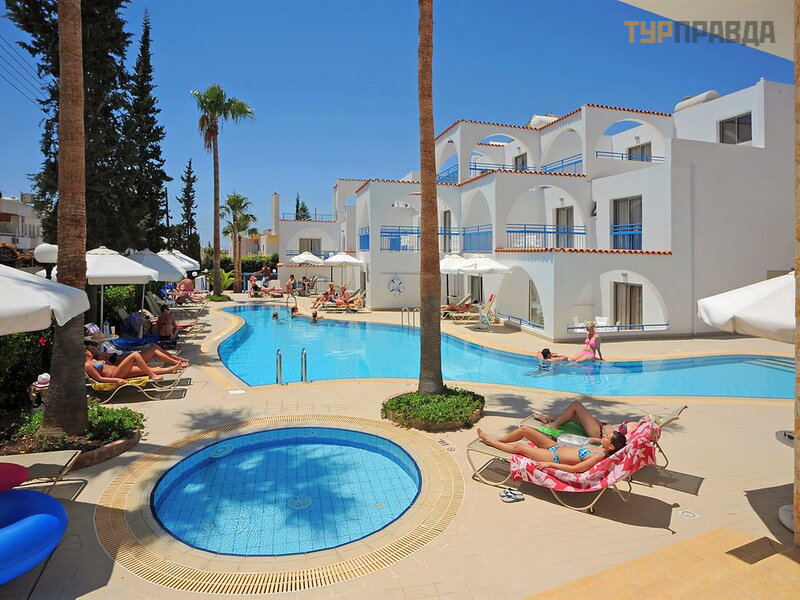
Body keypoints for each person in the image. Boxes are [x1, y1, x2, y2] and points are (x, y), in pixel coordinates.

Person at [476, 425, 626, 473]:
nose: (604, 436)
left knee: (519, 447)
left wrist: (550, 464)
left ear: (611, 446)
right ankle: (500, 441)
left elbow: (576, 469)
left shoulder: (598, 457)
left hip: (552, 457)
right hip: (555, 447)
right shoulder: (600, 447)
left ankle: (489, 441)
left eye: (607, 437)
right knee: (525, 430)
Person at [532, 399, 652, 440]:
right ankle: (547, 418)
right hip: (601, 426)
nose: (643, 419)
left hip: (598, 434)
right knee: (574, 415)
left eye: (646, 421)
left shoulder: (636, 432)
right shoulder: (637, 425)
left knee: (576, 405)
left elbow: (621, 442)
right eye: (643, 418)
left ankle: (554, 425)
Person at [84, 349, 179, 384]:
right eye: (88, 351)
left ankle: (171, 369)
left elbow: (110, 365)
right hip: (115, 375)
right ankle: (152, 375)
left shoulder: (95, 360)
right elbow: (100, 379)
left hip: (119, 370)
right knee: (135, 355)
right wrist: (117, 380)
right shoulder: (87, 366)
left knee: (145, 370)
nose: (90, 352)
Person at [86, 343, 188, 368]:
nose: (95, 350)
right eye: (93, 350)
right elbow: (112, 367)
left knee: (154, 346)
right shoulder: (100, 358)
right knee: (154, 350)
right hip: (133, 362)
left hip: (131, 356)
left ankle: (175, 358)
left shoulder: (102, 353)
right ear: (92, 354)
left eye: (94, 348)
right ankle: (176, 362)